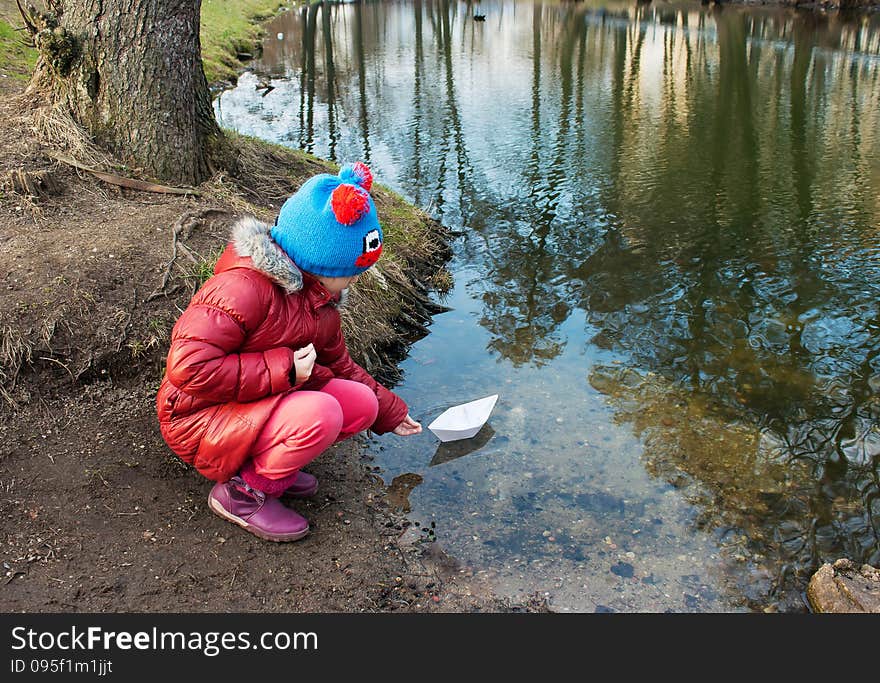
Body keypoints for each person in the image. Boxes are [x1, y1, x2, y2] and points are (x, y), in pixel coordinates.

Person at [155, 162, 422, 542]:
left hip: (254, 404)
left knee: (362, 403)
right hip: (198, 417)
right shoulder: (243, 289)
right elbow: (189, 368)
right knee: (322, 411)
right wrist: (285, 369)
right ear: (318, 258)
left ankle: (266, 464)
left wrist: (391, 411)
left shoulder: (319, 301)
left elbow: (340, 366)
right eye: (350, 270)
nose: (354, 280)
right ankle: (242, 495)